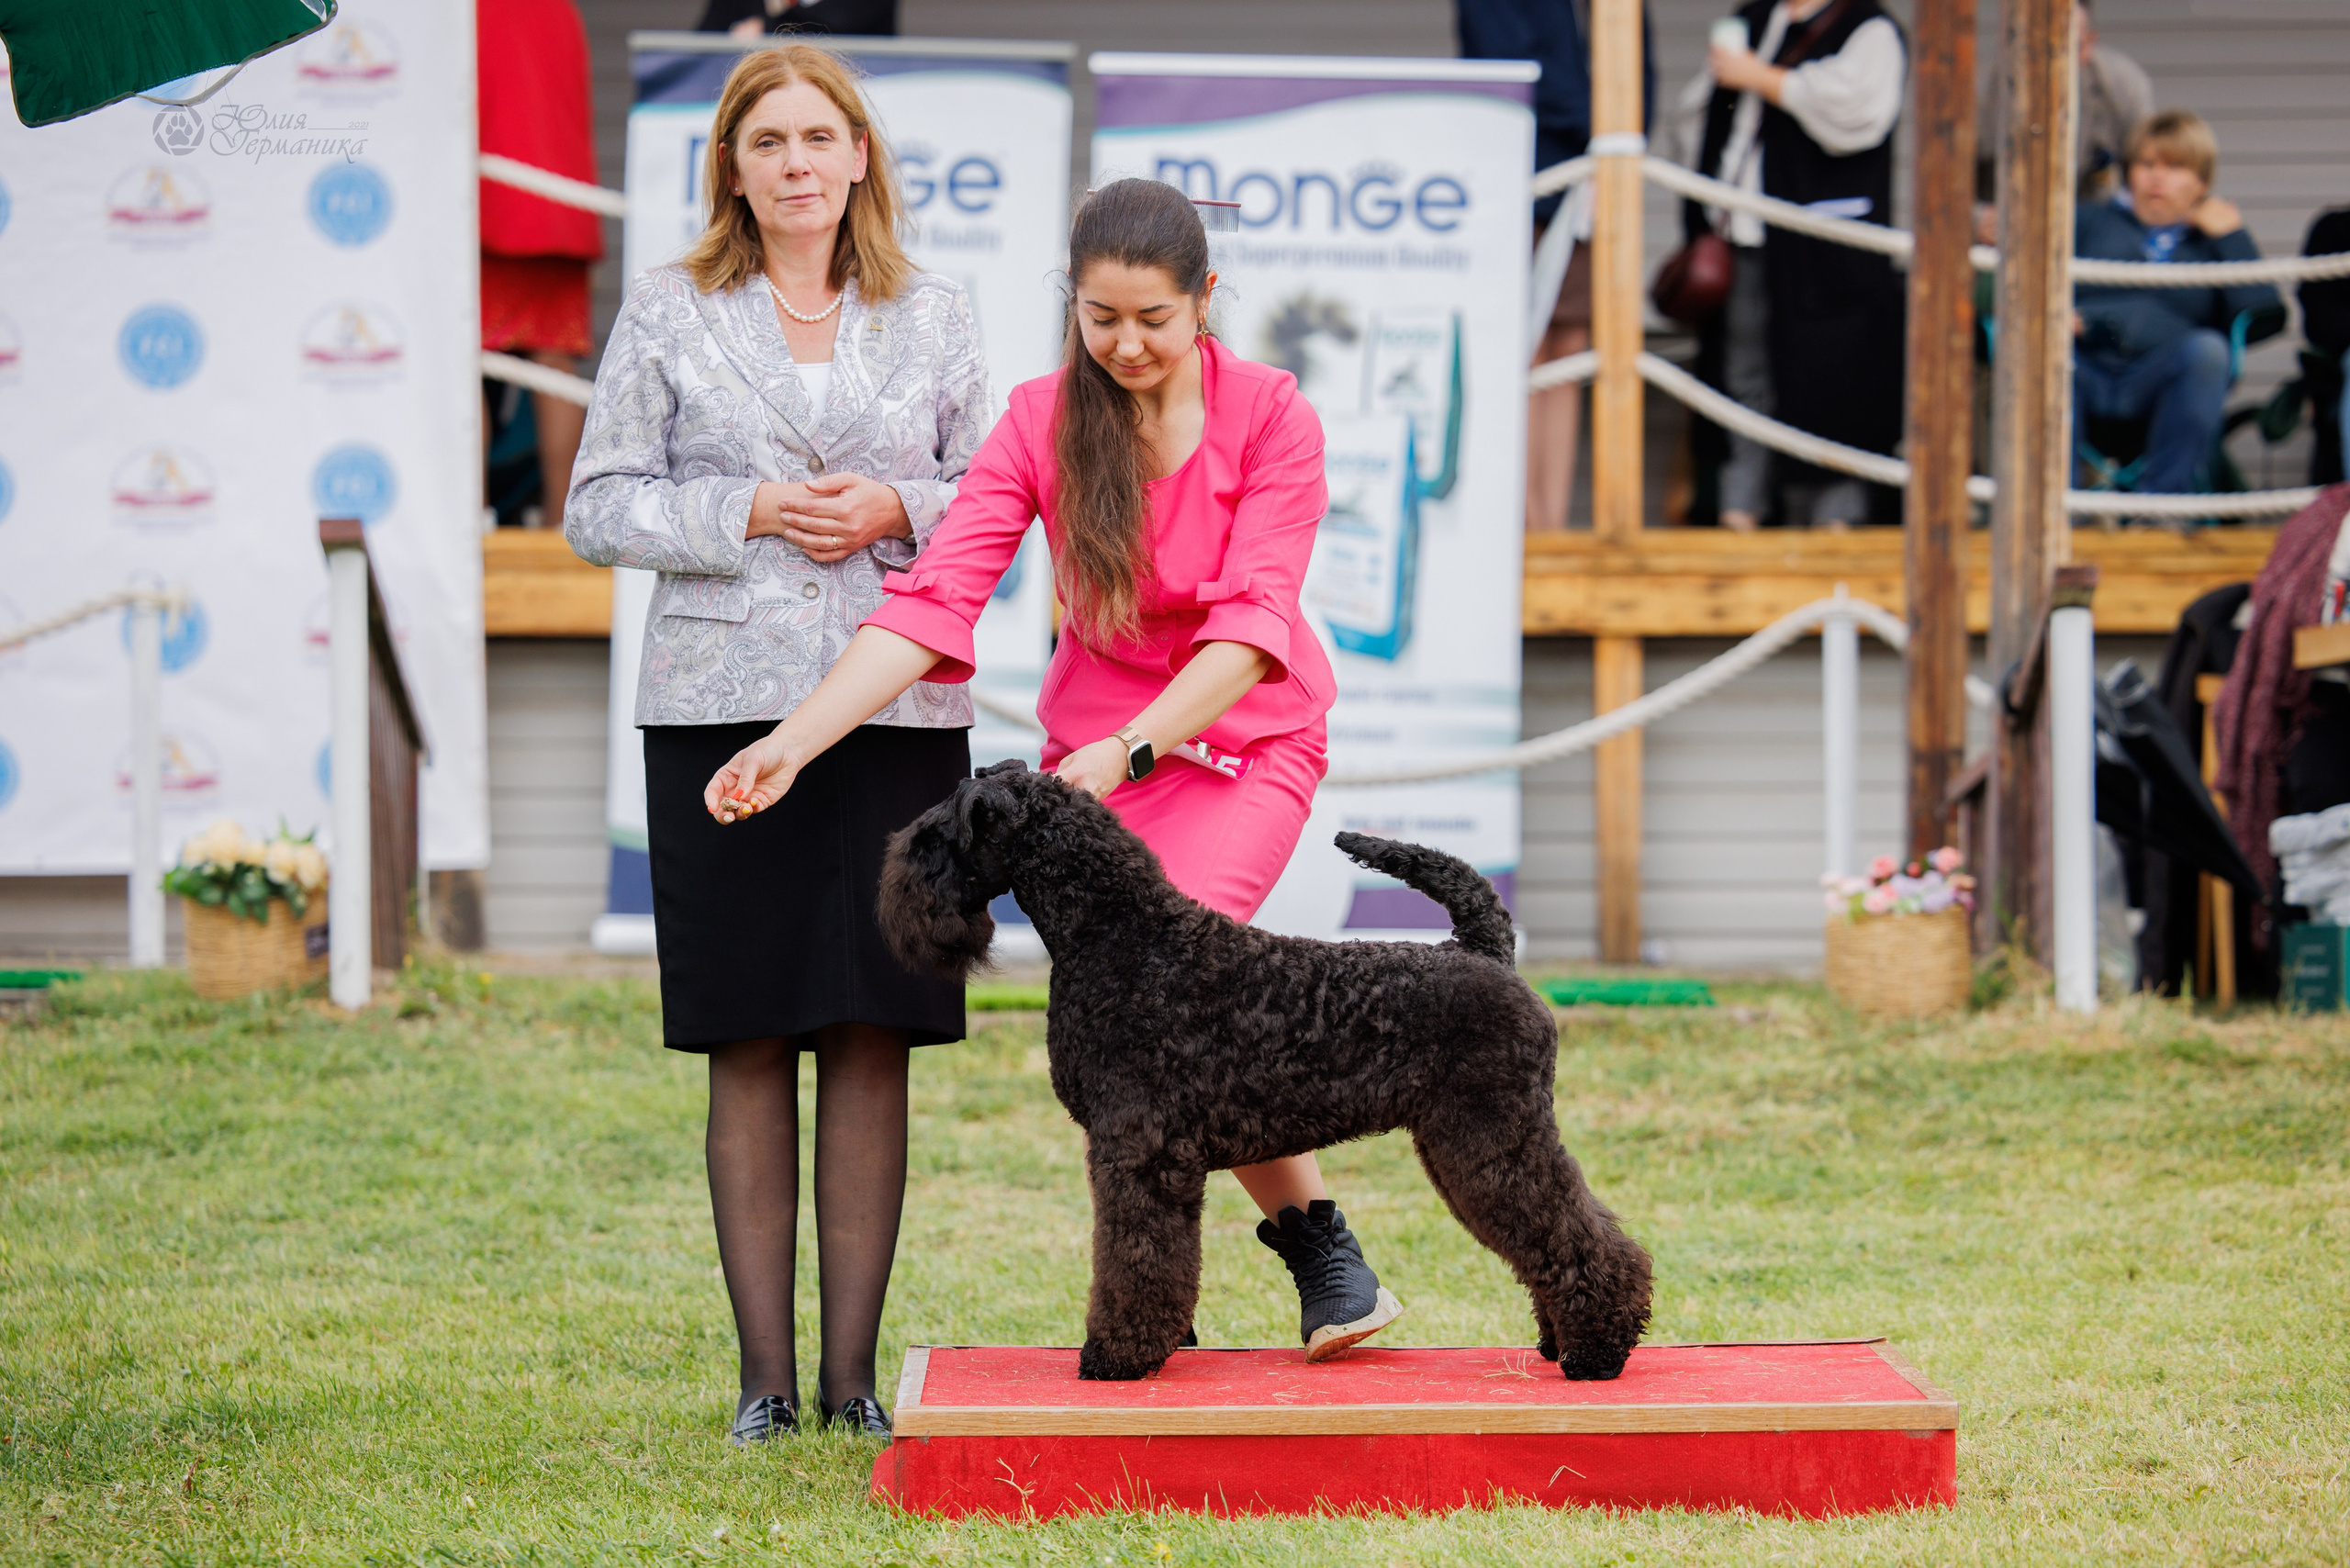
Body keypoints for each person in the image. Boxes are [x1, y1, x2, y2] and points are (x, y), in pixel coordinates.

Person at [704, 179, 1406, 1367]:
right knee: (1136, 1031)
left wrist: (1133, 745)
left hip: (1239, 744)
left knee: (1176, 987)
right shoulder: (1038, 421)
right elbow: (932, 600)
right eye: (1100, 318)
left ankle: (1313, 1244)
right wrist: (793, 740)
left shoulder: (1273, 416)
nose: (1125, 344)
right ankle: (1183, 1283)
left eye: (1153, 320)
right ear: (1070, 306)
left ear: (1205, 302)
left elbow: (1252, 631)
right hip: (1094, 770)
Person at [563, 44, 992, 1443]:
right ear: (732, 169)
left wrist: (893, 508)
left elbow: (995, 498)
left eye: (819, 137)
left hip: (896, 710)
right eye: (768, 143)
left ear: (860, 156)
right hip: (718, 715)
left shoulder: (937, 313)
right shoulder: (669, 307)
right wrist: (745, 508)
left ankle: (854, 1384)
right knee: (746, 1035)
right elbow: (597, 506)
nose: (797, 163)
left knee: (876, 1032)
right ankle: (765, 1386)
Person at [1682, 0, 1907, 532]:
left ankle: (1837, 522)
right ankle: (1740, 511)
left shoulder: (1868, 27)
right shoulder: (1755, 20)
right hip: (1746, 234)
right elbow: (1706, 114)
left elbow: (1857, 111)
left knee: (1836, 377)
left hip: (1829, 245)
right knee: (1743, 377)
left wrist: (1760, 77)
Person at [1455, 0, 1653, 533]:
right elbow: (1510, 69)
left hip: (1591, 190)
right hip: (1525, 183)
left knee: (1570, 347)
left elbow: (1640, 68)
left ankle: (1551, 522)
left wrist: (1624, 140)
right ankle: (1518, 525)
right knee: (1525, 350)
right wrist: (1609, 126)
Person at [2074, 110, 2284, 501]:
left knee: (2208, 351)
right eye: (2146, 164)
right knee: (2042, 348)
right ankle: (2059, 509)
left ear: (2202, 182)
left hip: (2164, 390)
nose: (2157, 178)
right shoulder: (2087, 221)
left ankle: (2161, 511)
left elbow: (2264, 319)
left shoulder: (2214, 241)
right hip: (2084, 375)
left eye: (2174, 167)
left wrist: (2232, 238)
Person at [477, 0, 603, 526]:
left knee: (467, 362)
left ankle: (468, 525)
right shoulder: (559, 10)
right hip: (560, 200)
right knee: (555, 360)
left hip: (488, 201)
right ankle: (564, 531)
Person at [1976, 0, 2153, 216]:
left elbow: (2150, 163)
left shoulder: (2121, 85)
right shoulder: (1980, 89)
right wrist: (1978, 218)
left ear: (2088, 44)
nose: (2049, 62)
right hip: (2001, 216)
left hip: (2093, 215)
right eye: (2035, 48)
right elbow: (1948, 179)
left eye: (2066, 47)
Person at [698, 0, 896, 38]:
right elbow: (701, 41)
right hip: (753, 91)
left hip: (857, 90)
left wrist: (766, 26)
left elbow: (841, 23)